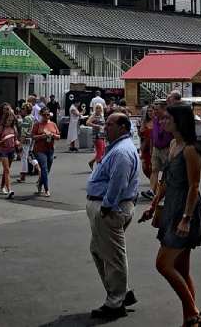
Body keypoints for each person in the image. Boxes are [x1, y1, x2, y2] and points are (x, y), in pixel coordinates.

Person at [140, 104, 201, 326]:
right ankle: (190, 318)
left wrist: (186, 219)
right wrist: (154, 203)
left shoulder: (190, 149)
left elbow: (194, 186)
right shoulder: (172, 144)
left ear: (180, 121)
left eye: (167, 118)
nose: (162, 121)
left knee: (163, 264)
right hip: (171, 207)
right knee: (181, 268)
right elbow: (166, 180)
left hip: (186, 211)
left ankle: (194, 313)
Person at [85, 112, 140, 320]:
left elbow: (119, 182)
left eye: (110, 124)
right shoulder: (118, 148)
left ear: (123, 127)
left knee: (113, 255)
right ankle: (121, 293)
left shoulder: (122, 152)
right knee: (100, 250)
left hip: (110, 208)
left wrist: (107, 206)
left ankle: (115, 301)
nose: (104, 127)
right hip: (106, 206)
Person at [31, 107, 61, 197]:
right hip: (40, 149)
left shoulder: (53, 124)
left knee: (47, 169)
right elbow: (33, 136)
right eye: (44, 115)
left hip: (50, 149)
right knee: (44, 168)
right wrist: (42, 136)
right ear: (41, 115)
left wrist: (53, 135)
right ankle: (46, 189)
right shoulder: (37, 124)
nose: (46, 116)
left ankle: (40, 183)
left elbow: (59, 136)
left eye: (48, 114)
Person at [0, 108, 19, 197]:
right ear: (5, 119)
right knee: (7, 170)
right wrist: (2, 141)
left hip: (11, 150)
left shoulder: (14, 128)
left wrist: (17, 143)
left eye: (11, 120)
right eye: (8, 120)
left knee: (6, 170)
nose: (9, 122)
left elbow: (16, 139)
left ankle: (2, 187)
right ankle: (9, 190)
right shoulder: (0, 128)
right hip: (3, 151)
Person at [88, 103, 107, 170]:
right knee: (100, 151)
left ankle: (92, 162)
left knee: (103, 151)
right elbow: (87, 122)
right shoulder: (94, 115)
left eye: (99, 108)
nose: (98, 109)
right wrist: (96, 126)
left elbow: (103, 124)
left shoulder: (102, 115)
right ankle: (99, 167)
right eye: (97, 108)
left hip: (102, 135)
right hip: (96, 135)